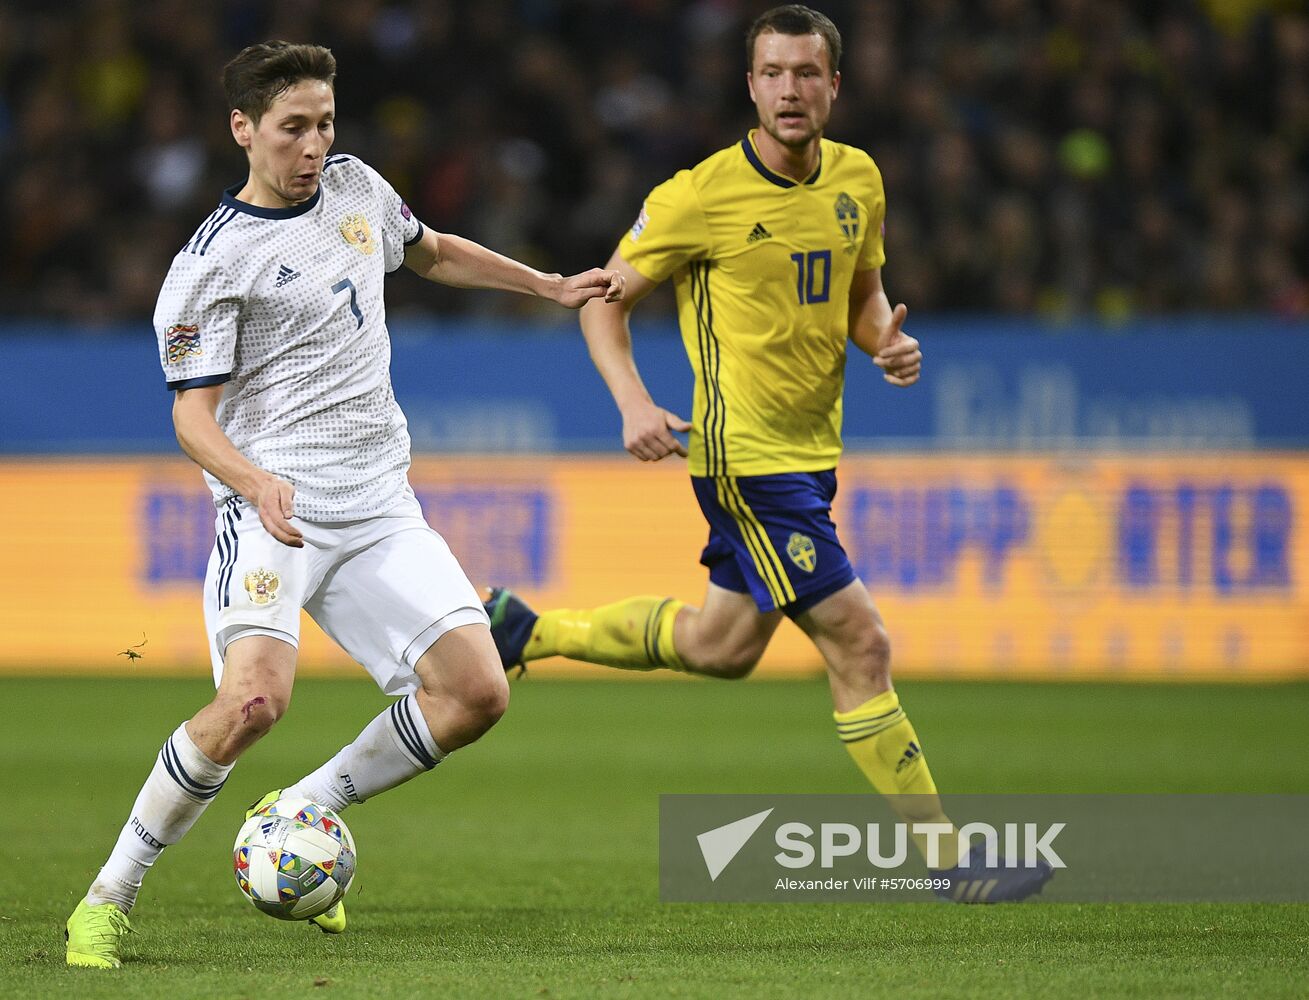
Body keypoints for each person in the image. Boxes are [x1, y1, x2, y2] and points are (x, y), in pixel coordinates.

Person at [64, 40, 624, 969]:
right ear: (243, 130)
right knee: (250, 705)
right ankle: (107, 897)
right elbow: (191, 421)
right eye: (292, 128)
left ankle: (303, 804)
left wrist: (545, 284)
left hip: (379, 503)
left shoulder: (359, 187)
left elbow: (433, 252)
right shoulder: (211, 263)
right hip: (275, 507)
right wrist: (253, 481)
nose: (314, 144)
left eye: (324, 123)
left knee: (478, 693)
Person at [484, 5, 1050, 902]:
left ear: (835, 85)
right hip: (742, 461)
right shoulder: (699, 195)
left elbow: (862, 298)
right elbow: (601, 298)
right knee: (860, 643)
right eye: (773, 73)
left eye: (806, 73)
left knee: (721, 646)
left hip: (812, 453)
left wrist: (884, 344)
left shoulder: (858, 180)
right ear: (749, 86)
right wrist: (631, 401)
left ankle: (525, 630)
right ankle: (951, 861)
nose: (790, 89)